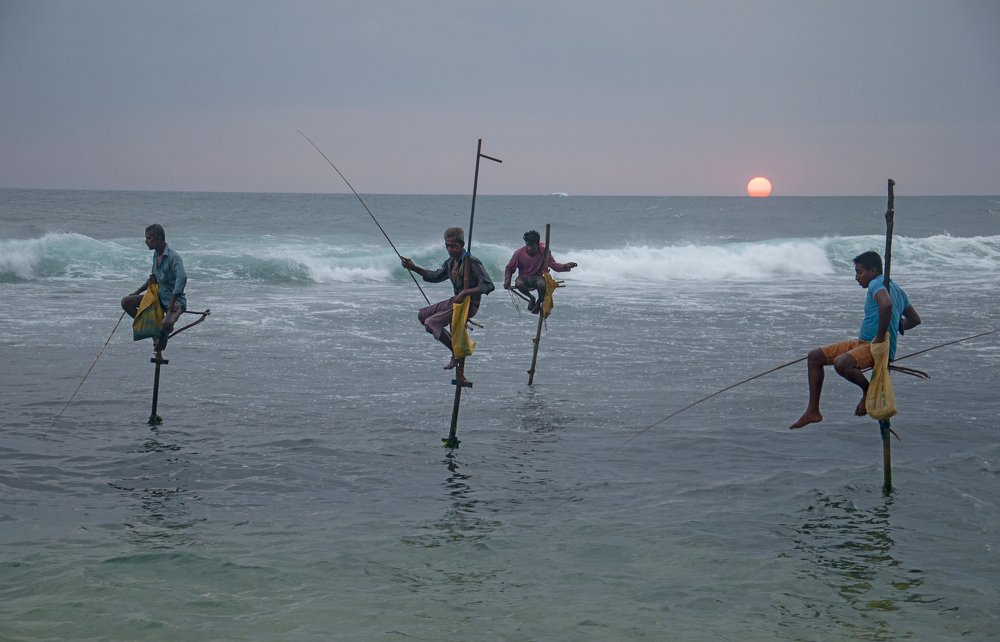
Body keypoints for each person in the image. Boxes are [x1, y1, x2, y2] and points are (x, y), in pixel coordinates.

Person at [789, 250, 921, 429]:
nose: (856, 277)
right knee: (814, 357)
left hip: (875, 347)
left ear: (873, 271)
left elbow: (887, 304)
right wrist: (898, 325)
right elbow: (914, 320)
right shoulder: (896, 288)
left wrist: (881, 337)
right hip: (862, 343)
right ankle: (813, 411)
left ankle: (868, 392)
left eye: (859, 272)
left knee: (841, 363)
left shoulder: (876, 283)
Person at [401, 227, 495, 369]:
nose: (450, 249)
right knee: (422, 315)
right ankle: (456, 350)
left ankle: (457, 353)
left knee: (431, 323)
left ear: (462, 245)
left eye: (454, 246)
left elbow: (488, 285)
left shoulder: (472, 261)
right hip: (455, 301)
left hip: (468, 305)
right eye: (447, 246)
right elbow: (435, 277)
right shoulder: (451, 262)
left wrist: (464, 293)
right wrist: (413, 267)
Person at [121, 224, 187, 352]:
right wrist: (137, 292)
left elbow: (182, 279)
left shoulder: (174, 257)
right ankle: (155, 333)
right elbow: (153, 278)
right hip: (158, 297)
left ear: (159, 239)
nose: (146, 241)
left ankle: (163, 332)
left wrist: (172, 305)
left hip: (175, 301)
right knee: (126, 302)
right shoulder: (156, 255)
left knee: (166, 324)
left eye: (149, 238)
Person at [503, 230, 577, 314]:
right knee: (519, 284)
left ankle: (538, 302)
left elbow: (554, 266)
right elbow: (509, 268)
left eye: (532, 246)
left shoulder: (544, 252)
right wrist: (507, 280)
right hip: (523, 277)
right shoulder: (519, 253)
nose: (529, 248)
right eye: (528, 245)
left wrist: (566, 266)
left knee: (542, 285)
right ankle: (532, 298)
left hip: (537, 277)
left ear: (537, 244)